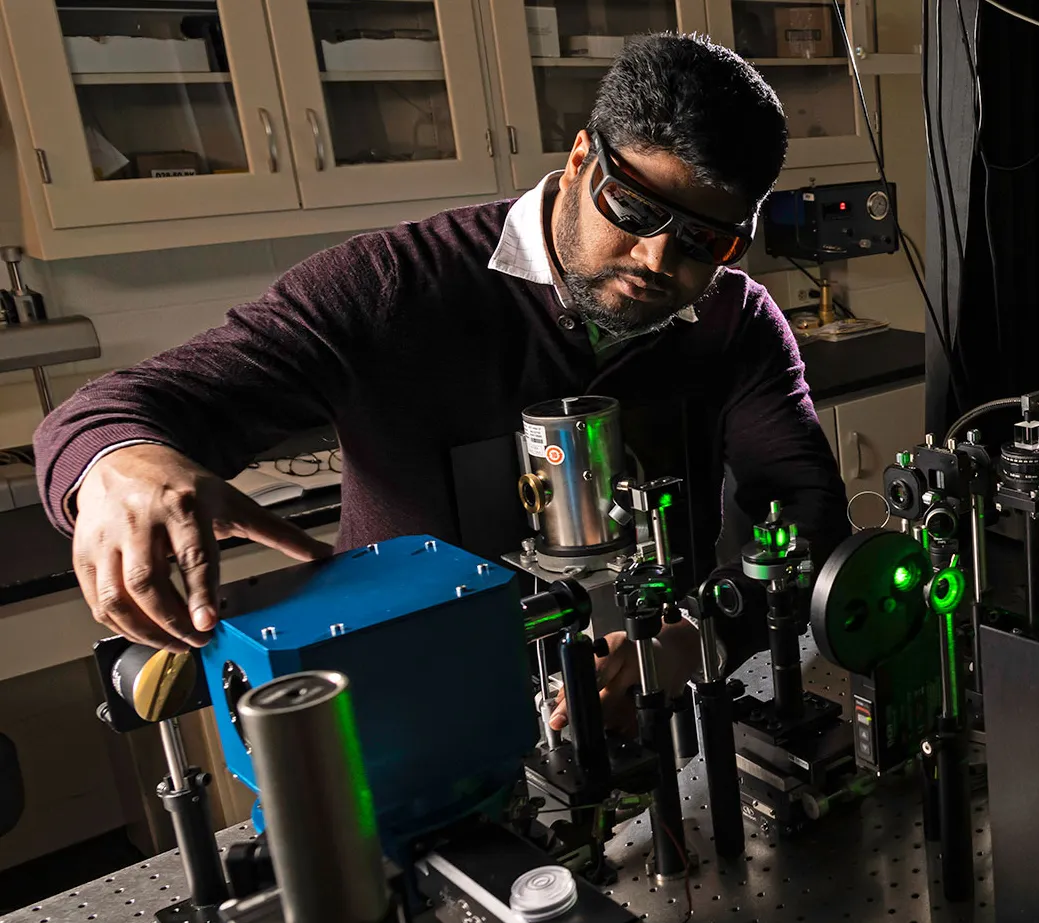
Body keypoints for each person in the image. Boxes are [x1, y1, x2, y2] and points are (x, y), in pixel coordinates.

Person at [32, 33, 848, 732]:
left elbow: (801, 508)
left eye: (705, 240)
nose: (656, 262)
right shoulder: (394, 285)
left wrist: (698, 638)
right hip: (412, 715)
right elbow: (112, 411)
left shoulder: (734, 321)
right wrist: (119, 463)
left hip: (653, 709)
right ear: (577, 161)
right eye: (633, 211)